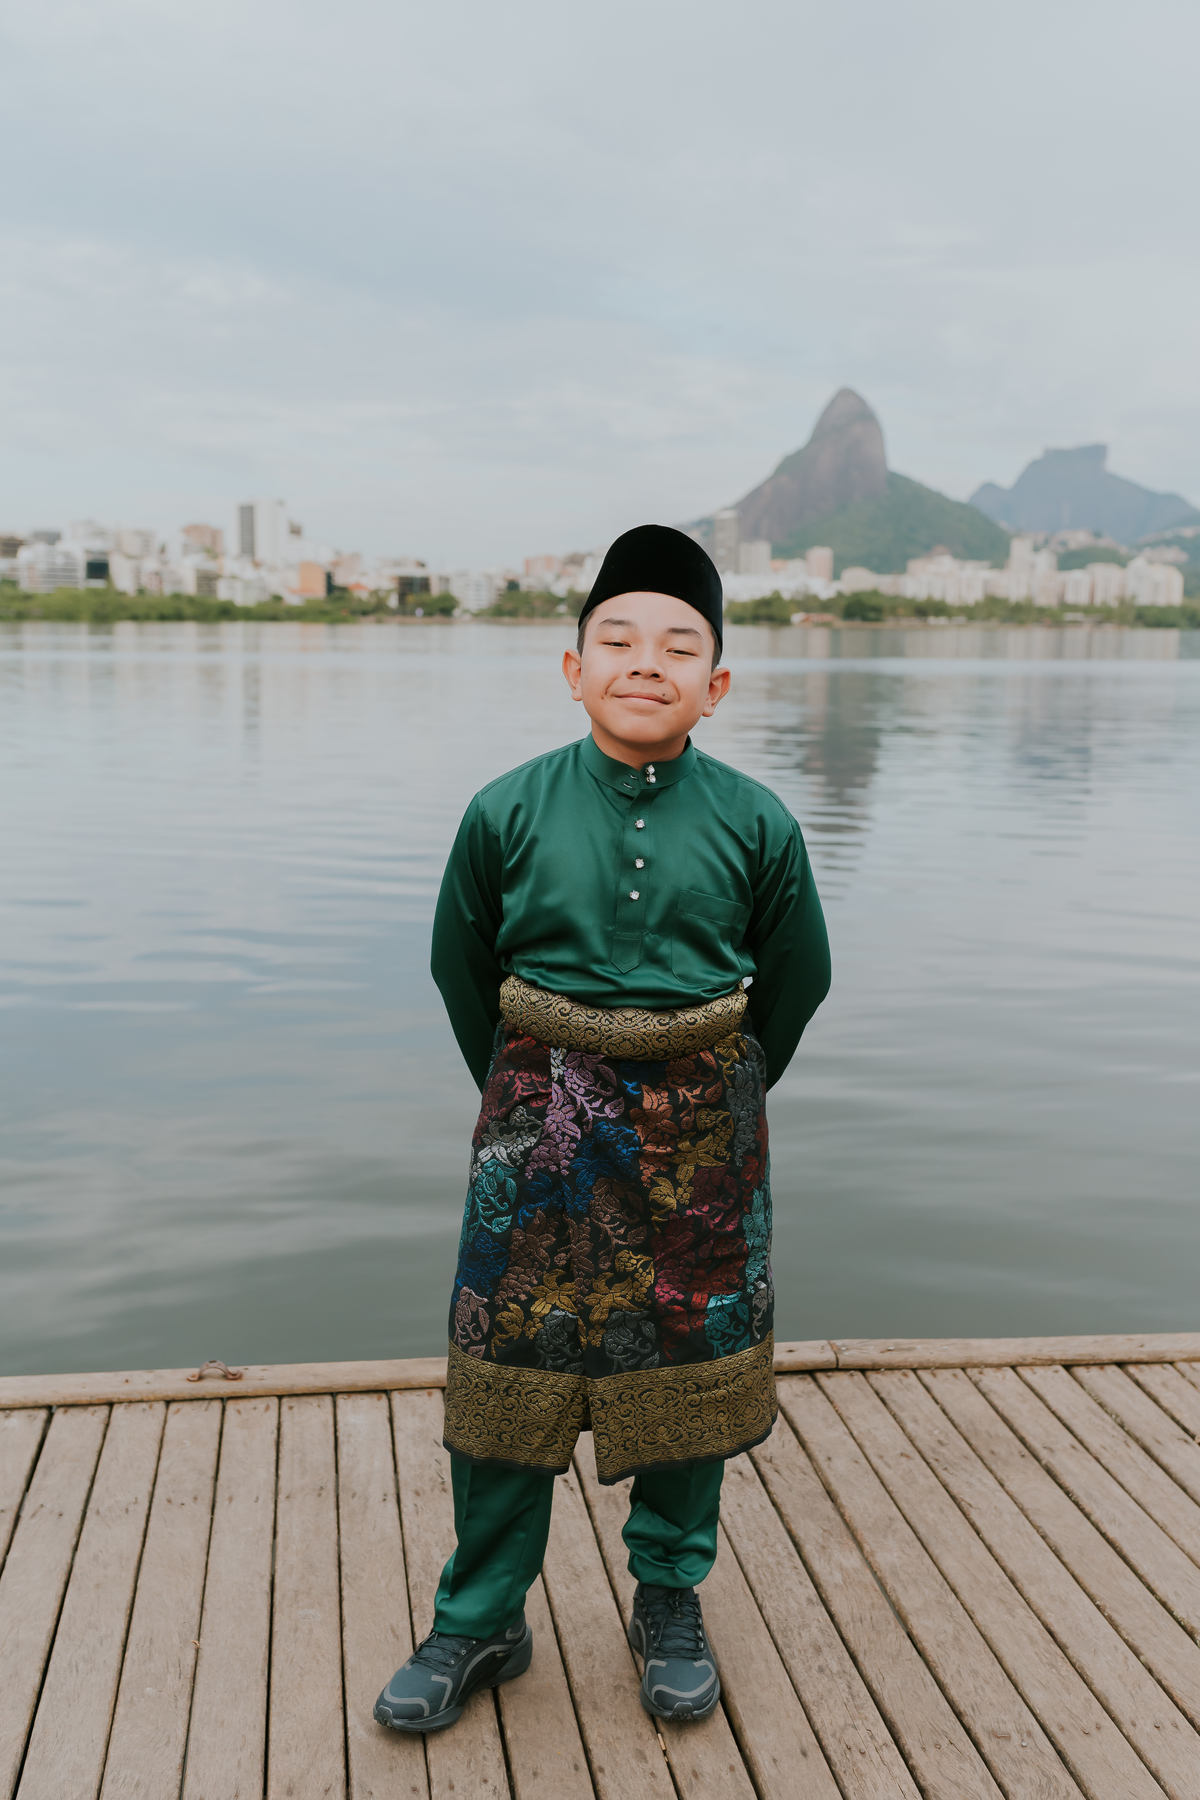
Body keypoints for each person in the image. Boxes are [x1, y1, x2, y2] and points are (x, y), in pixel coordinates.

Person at [375, 523, 830, 1735]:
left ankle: (669, 1600)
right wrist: (536, 1095)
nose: (648, 661)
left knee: (688, 1376)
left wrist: (711, 1102)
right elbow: (459, 968)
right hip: (537, 1133)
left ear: (716, 687)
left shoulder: (759, 824)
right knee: (506, 1378)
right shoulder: (504, 810)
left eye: (680, 645)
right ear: (571, 667)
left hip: (703, 1148)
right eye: (618, 640)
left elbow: (797, 981)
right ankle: (479, 1615)